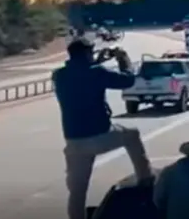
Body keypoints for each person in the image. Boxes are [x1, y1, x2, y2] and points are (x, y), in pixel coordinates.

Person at [53, 37, 153, 219]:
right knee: (132, 134)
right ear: (87, 53)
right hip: (101, 135)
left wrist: (98, 60)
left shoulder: (59, 75)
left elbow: (83, 73)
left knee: (77, 192)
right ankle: (145, 179)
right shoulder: (98, 73)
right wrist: (123, 58)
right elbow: (128, 80)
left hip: (74, 142)